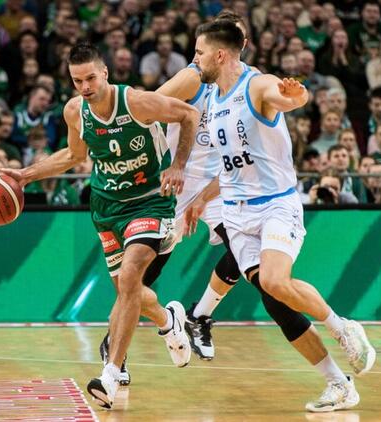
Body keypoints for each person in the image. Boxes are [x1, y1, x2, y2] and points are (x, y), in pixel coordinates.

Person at [0, 42, 199, 410]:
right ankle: (169, 320)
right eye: (78, 81)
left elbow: (189, 114)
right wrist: (26, 175)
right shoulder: (75, 111)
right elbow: (73, 155)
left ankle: (111, 373)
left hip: (150, 200)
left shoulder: (136, 102)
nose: (85, 86)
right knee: (129, 292)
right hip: (107, 207)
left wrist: (179, 165)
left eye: (91, 78)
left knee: (131, 276)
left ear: (105, 73)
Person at [192, 20, 376, 412]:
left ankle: (342, 328)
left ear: (220, 55)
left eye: (199, 53)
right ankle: (338, 385)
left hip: (275, 203)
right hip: (236, 213)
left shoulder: (256, 84)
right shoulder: (212, 96)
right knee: (274, 297)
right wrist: (201, 198)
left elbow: (290, 97)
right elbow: (229, 165)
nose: (195, 60)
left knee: (276, 280)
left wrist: (296, 96)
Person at [152, 9, 256, 363]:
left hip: (215, 187)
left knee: (243, 253)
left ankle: (199, 316)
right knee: (146, 272)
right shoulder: (192, 77)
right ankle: (115, 349)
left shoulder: (246, 85)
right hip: (173, 183)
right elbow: (145, 109)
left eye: (237, 37)